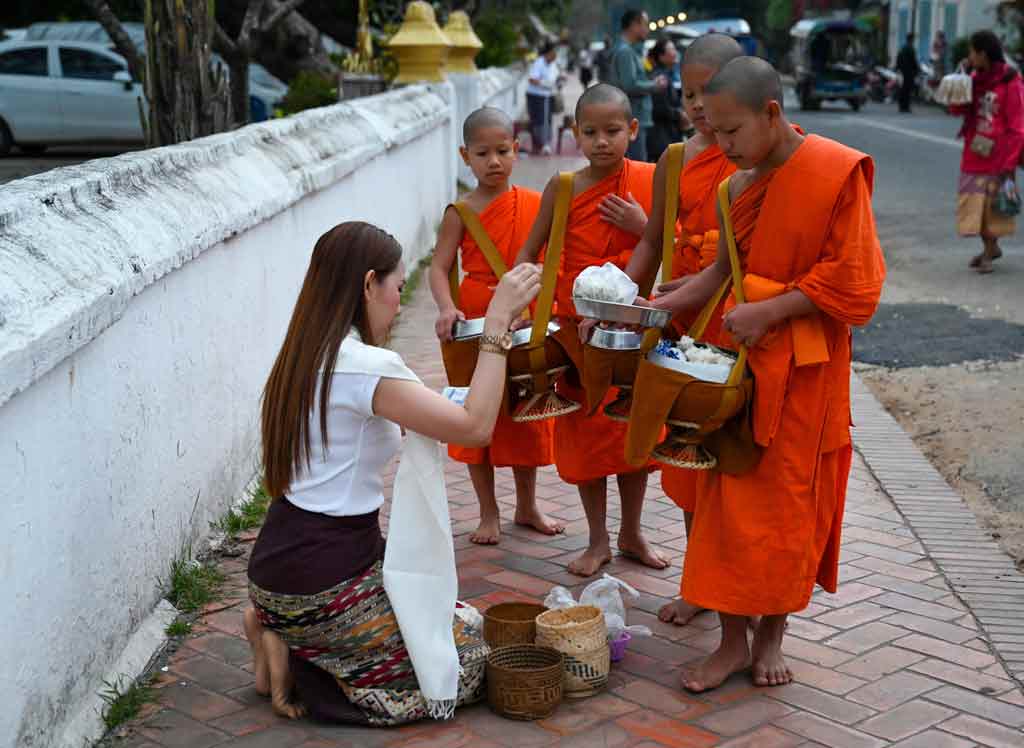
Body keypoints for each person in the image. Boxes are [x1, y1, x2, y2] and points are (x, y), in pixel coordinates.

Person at [650, 57, 885, 692]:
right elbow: (723, 269)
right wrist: (658, 307)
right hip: (743, 364)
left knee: (788, 504)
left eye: (731, 131)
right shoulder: (736, 188)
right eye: (713, 130)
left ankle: (771, 638)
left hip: (806, 371)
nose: (721, 145)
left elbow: (856, 280)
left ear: (771, 113)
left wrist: (772, 310)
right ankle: (731, 641)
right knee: (725, 497)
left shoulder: (835, 172)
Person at [244, 222, 542, 723]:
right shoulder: (365, 365)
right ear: (368, 284)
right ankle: (297, 658)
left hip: (281, 568)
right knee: (460, 665)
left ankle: (285, 631)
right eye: (398, 288)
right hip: (322, 581)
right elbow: (475, 428)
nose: (400, 304)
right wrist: (496, 323)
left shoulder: (305, 353)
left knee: (458, 618)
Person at [514, 84, 664, 577]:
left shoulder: (648, 180)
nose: (602, 141)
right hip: (580, 335)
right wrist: (523, 305)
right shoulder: (563, 188)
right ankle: (598, 539)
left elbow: (676, 246)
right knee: (587, 440)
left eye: (613, 131)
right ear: (575, 133)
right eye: (591, 132)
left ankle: (632, 532)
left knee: (633, 436)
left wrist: (643, 224)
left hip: (632, 329)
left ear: (632, 130)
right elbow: (529, 252)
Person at [623, 33, 744, 627]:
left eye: (709, 93)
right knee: (688, 463)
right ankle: (698, 580)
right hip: (683, 323)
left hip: (738, 322)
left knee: (735, 465)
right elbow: (652, 241)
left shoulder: (755, 157)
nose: (698, 106)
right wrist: (620, 296)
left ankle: (740, 591)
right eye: (689, 93)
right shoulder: (675, 160)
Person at [429, 107, 562, 545]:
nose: (494, 162)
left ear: (517, 150)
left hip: (523, 314)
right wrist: (447, 308)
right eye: (482, 153)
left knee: (526, 411)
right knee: (475, 415)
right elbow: (439, 267)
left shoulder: (535, 204)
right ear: (465, 156)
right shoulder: (460, 212)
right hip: (476, 319)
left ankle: (527, 505)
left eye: (502, 151)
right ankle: (488, 512)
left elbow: (551, 261)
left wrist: (544, 305)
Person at [949, 30, 1024, 274]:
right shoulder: (973, 78)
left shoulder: (1010, 80)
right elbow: (956, 110)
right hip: (975, 151)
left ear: (983, 53)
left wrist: (1010, 161)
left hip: (999, 155)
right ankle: (990, 248)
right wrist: (961, 79)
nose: (970, 56)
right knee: (973, 204)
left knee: (993, 208)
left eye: (972, 52)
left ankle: (990, 252)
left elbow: (1017, 125)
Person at [608, 9, 668, 161]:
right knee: (637, 165)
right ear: (634, 25)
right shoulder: (625, 52)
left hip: (633, 116)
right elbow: (630, 85)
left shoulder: (628, 50)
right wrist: (655, 85)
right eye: (645, 24)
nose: (647, 29)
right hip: (633, 116)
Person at [646, 38, 686, 162]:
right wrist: (679, 114)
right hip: (663, 137)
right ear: (662, 57)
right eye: (671, 49)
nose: (675, 52)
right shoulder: (660, 79)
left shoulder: (667, 74)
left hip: (667, 134)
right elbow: (659, 108)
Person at [527, 43, 560, 155]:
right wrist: (544, 84)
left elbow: (555, 76)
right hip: (537, 95)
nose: (555, 56)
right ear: (547, 54)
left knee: (548, 119)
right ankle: (540, 143)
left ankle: (546, 143)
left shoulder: (553, 64)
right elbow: (532, 79)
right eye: (553, 54)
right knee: (539, 120)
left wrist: (559, 80)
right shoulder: (539, 63)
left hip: (548, 95)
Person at [896, 33, 920, 113]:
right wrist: (917, 69)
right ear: (911, 39)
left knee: (904, 88)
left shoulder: (903, 48)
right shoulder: (910, 48)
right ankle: (905, 106)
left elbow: (898, 58)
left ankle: (902, 106)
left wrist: (899, 68)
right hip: (909, 71)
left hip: (904, 71)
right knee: (907, 89)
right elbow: (913, 60)